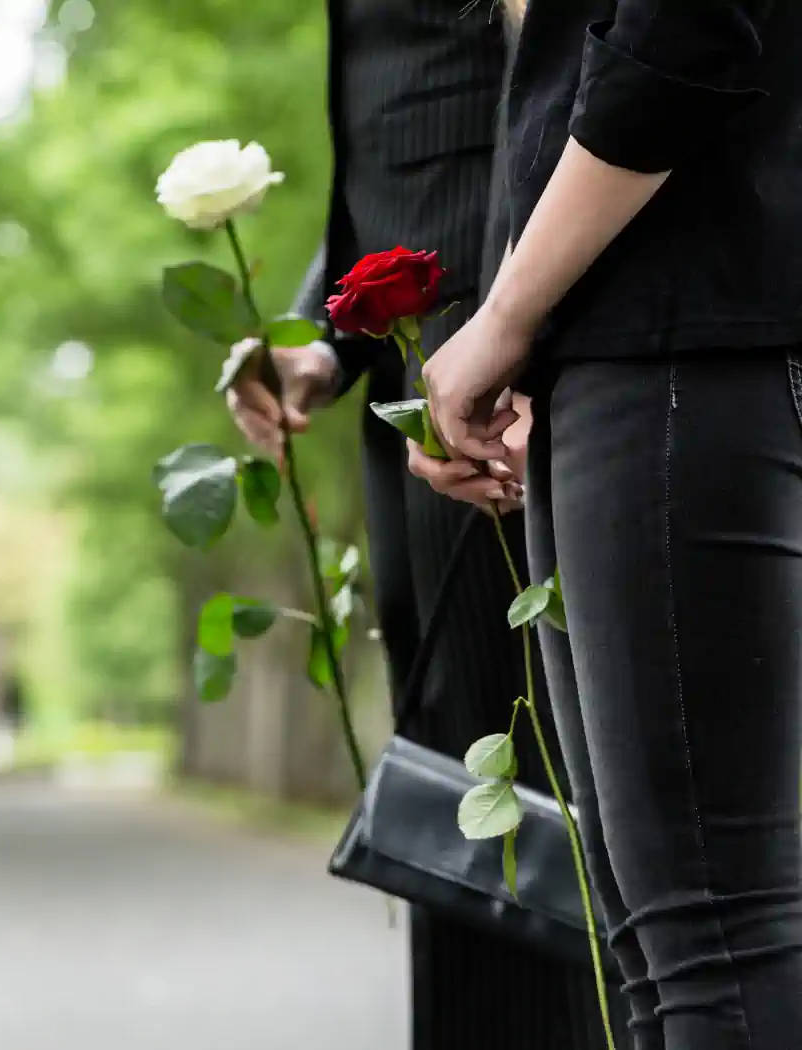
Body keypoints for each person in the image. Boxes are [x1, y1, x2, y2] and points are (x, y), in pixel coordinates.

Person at [229, 2, 625, 1048]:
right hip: (420, 387)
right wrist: (328, 336)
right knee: (467, 809)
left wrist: (537, 344)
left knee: (544, 807)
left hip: (512, 388)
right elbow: (407, 141)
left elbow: (568, 92)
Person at [407, 2, 802, 1048]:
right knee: (651, 950)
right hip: (626, 352)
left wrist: (505, 320)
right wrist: (519, 342)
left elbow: (686, 26)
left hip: (682, 342)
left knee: (708, 943)